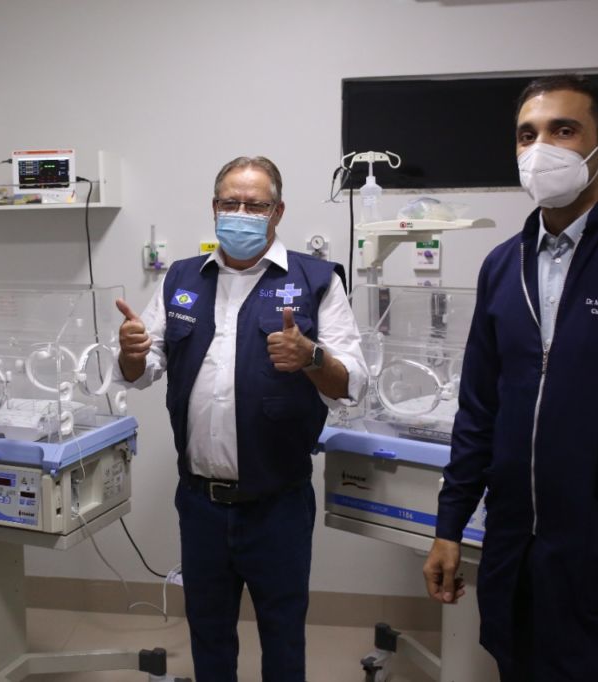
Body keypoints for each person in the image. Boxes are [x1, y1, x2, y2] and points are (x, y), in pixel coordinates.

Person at [423, 74, 598, 682]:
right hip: (516, 547)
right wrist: (449, 526)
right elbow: (478, 410)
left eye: (563, 131)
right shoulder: (502, 266)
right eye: (527, 135)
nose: (540, 148)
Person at [115, 156, 366, 681]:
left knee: (282, 636)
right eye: (231, 203)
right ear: (214, 207)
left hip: (278, 504)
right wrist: (132, 352)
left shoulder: (316, 280)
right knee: (208, 634)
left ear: (278, 211)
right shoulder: (181, 278)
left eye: (255, 205)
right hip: (200, 502)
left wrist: (311, 357)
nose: (242, 214)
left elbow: (352, 385)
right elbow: (141, 372)